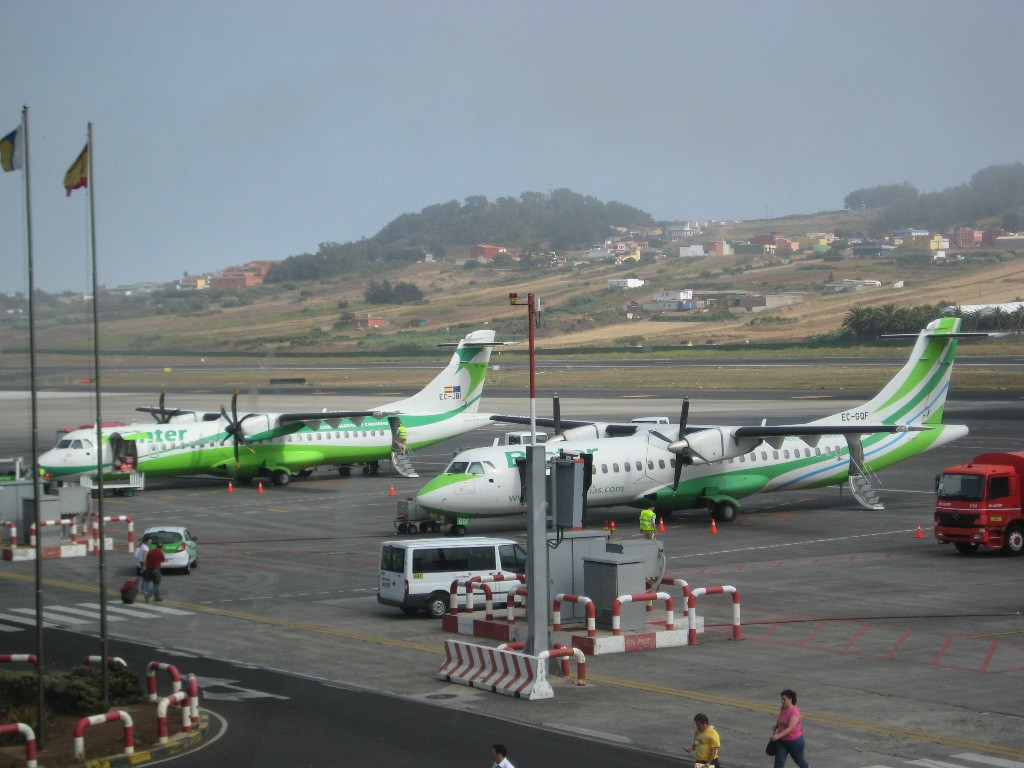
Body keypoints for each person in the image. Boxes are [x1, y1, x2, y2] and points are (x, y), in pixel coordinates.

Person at [770, 688, 809, 768]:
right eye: (782, 699)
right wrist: (777, 726)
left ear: (790, 699)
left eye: (784, 699)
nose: (782, 701)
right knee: (778, 763)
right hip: (781, 741)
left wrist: (777, 736)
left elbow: (790, 728)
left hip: (794, 742)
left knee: (799, 761)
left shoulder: (795, 712)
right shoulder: (783, 708)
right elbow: (781, 719)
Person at [143, 538, 166, 603]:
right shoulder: (160, 553)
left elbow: (146, 559)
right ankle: (148, 595)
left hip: (149, 570)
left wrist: (144, 567)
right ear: (161, 546)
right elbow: (163, 560)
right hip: (156, 570)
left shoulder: (151, 551)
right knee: (156, 584)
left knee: (154, 583)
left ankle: (157, 597)